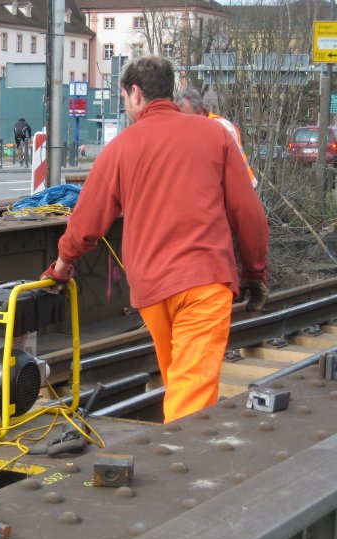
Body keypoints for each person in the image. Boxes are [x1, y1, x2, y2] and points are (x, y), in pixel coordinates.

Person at [42, 56, 269, 423]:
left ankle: (177, 446)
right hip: (205, 281)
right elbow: (248, 212)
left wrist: (63, 265)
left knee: (179, 382)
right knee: (190, 391)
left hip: (152, 290)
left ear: (135, 93)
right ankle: (181, 452)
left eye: (123, 98)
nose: (125, 105)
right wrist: (254, 272)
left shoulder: (121, 148)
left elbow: (86, 222)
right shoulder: (215, 136)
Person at [178, 88, 257, 188]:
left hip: (239, 186)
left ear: (200, 110)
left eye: (186, 116)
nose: (183, 121)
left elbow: (237, 168)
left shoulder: (223, 128)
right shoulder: (186, 131)